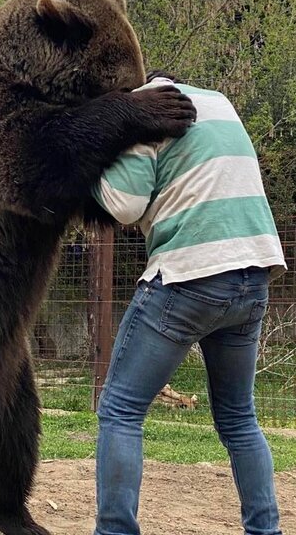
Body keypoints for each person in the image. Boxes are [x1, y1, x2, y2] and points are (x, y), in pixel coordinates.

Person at [92, 70, 286, 535]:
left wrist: (90, 163)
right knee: (240, 419)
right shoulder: (219, 101)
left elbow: (122, 205)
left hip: (188, 276)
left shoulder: (145, 109)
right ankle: (266, 530)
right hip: (253, 273)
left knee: (120, 409)